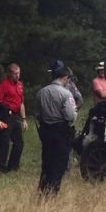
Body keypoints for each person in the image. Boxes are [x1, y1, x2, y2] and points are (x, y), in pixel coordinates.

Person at [36, 60, 79, 196]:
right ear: (64, 77)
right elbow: (71, 116)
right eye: (67, 79)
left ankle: (43, 190)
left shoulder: (41, 92)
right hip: (61, 132)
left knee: (47, 162)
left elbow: (37, 113)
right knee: (59, 164)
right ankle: (53, 192)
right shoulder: (66, 94)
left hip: (46, 131)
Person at [0, 63, 28, 173]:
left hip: (15, 115)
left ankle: (13, 165)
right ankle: (2, 167)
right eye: (15, 74)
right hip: (5, 114)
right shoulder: (3, 85)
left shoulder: (20, 85)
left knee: (19, 142)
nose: (17, 76)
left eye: (19, 73)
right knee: (4, 142)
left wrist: (24, 119)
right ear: (9, 74)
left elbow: (21, 103)